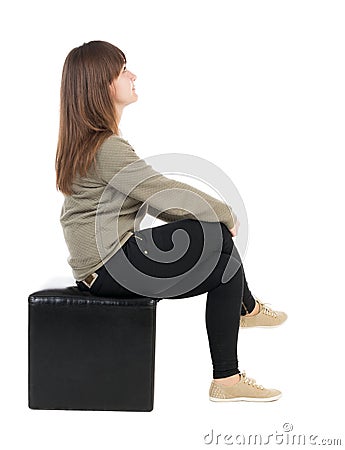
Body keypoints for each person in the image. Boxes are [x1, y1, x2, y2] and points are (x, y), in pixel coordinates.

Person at [55, 40, 287, 402]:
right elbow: (162, 192)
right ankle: (237, 343)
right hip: (110, 267)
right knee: (219, 249)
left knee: (220, 252)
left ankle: (238, 344)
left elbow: (154, 199)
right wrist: (224, 213)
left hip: (103, 267)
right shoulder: (107, 148)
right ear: (101, 85)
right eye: (122, 71)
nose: (133, 75)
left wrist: (210, 219)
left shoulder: (91, 144)